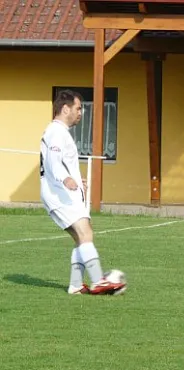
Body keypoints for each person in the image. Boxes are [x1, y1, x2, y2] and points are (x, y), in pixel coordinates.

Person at [40, 89, 125, 295]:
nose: (80, 113)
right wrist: (66, 179)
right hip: (60, 194)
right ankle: (98, 281)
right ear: (65, 108)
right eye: (78, 108)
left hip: (60, 193)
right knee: (85, 232)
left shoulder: (57, 132)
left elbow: (60, 163)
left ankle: (76, 285)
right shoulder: (56, 131)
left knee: (82, 237)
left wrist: (77, 180)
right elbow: (53, 162)